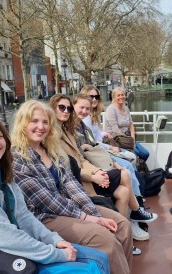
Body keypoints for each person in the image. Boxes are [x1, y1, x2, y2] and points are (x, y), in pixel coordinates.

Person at [0, 110, 125, 274]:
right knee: (94, 265)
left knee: (99, 259)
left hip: (14, 248)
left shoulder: (0, 171)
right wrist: (55, 253)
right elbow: (6, 238)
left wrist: (54, 240)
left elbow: (24, 216)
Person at [11, 100, 153, 274]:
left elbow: (70, 185)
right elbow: (48, 201)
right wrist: (91, 218)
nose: (40, 126)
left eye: (45, 122)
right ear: (22, 124)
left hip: (70, 208)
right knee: (104, 238)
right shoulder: (18, 158)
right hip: (45, 218)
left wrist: (91, 211)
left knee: (122, 225)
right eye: (34, 121)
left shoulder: (50, 149)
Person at [49, 94, 157, 225]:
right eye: (61, 107)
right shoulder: (51, 135)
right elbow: (67, 169)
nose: (66, 111)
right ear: (52, 108)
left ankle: (123, 231)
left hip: (87, 175)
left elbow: (81, 159)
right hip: (78, 182)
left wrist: (97, 171)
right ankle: (136, 211)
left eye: (68, 109)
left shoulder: (67, 131)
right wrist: (94, 177)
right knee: (124, 173)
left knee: (123, 192)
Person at [79, 85, 137, 164]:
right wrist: (111, 147)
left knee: (134, 156)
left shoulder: (93, 115)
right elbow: (93, 142)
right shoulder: (86, 119)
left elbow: (96, 134)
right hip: (99, 150)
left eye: (97, 97)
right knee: (130, 160)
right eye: (91, 96)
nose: (94, 99)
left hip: (103, 145)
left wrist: (104, 133)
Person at [104, 87, 150, 161]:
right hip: (117, 139)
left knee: (145, 153)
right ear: (114, 97)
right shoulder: (111, 109)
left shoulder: (126, 108)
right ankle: (138, 169)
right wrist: (129, 141)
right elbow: (115, 129)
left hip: (127, 137)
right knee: (136, 154)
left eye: (122, 95)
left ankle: (140, 167)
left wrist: (132, 138)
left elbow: (131, 124)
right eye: (118, 95)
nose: (121, 97)